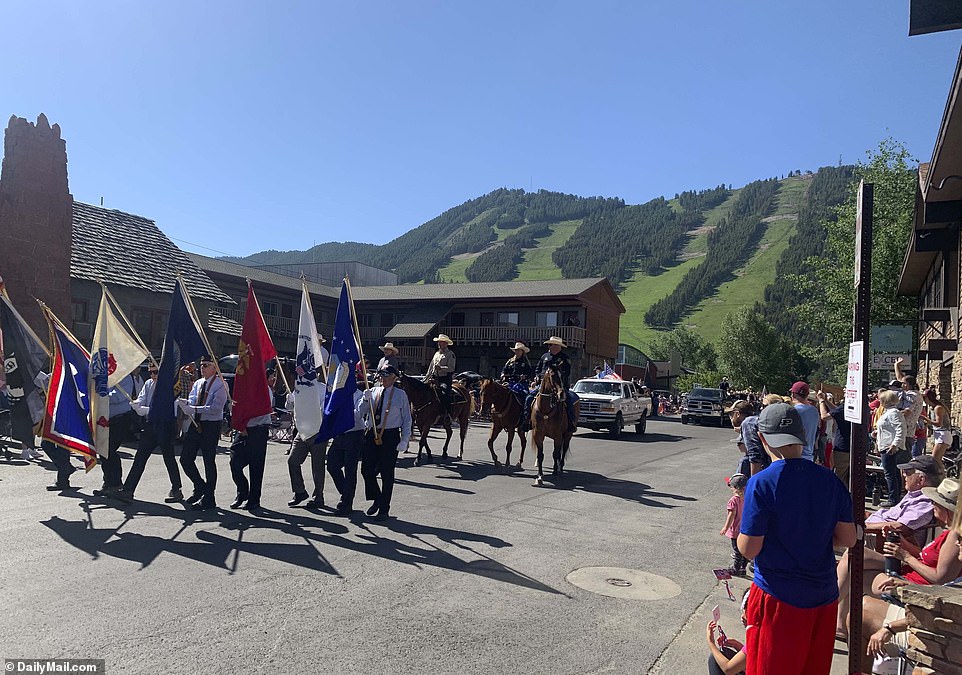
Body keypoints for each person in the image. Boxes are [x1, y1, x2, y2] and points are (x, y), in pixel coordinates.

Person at [737, 403, 856, 675]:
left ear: (764, 439)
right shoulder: (830, 480)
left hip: (778, 597)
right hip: (823, 598)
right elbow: (848, 539)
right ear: (802, 437)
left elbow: (749, 548)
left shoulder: (762, 482)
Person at [115, 363, 184, 503]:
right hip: (150, 425)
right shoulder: (148, 384)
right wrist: (136, 404)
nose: (152, 375)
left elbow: (168, 408)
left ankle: (177, 489)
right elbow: (142, 398)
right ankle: (128, 490)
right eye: (150, 372)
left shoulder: (169, 386)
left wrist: (145, 410)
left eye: (156, 372)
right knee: (140, 457)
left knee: (169, 458)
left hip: (165, 425)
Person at [358, 365, 412, 521]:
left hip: (390, 435)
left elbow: (407, 419)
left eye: (387, 377)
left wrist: (404, 439)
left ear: (394, 378)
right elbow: (361, 413)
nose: (383, 380)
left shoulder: (401, 395)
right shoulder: (374, 391)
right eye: (381, 377)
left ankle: (384, 508)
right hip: (372, 433)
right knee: (366, 470)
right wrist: (364, 400)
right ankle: (377, 498)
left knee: (387, 473)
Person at [179, 357, 228, 510]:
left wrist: (194, 409)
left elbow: (215, 408)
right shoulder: (199, 383)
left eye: (206, 365)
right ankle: (200, 486)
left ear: (215, 367)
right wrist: (185, 403)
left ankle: (209, 497)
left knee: (208, 460)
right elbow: (193, 400)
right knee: (185, 459)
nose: (202, 368)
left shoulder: (221, 384)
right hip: (196, 424)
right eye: (201, 365)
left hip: (211, 425)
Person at [229, 368, 276, 512]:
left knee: (256, 467)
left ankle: (254, 500)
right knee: (235, 462)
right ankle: (242, 492)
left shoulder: (265, 390)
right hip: (243, 430)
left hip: (258, 430)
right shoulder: (247, 389)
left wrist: (242, 418)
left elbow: (259, 409)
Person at [93, 374, 136, 499]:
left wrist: (102, 394)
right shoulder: (106, 376)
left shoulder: (125, 377)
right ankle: (108, 483)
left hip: (121, 418)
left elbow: (119, 397)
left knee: (110, 449)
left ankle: (116, 483)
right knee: (103, 450)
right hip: (105, 417)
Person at [523, 336, 578, 432]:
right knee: (528, 398)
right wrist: (537, 377)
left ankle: (570, 422)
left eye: (558, 345)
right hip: (543, 386)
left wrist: (557, 374)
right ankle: (527, 421)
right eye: (555, 345)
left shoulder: (564, 358)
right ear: (550, 345)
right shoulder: (544, 357)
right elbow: (538, 369)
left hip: (559, 386)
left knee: (569, 400)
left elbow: (567, 373)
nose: (557, 347)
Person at [327, 382, 366, 515]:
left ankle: (347, 503)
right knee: (332, 465)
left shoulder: (359, 395)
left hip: (354, 434)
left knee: (350, 468)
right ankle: (346, 493)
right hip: (339, 434)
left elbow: (358, 415)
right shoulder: (337, 394)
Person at [875, 390, 909, 507]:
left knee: (889, 473)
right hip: (887, 444)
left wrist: (895, 444)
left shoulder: (893, 413)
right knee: (893, 471)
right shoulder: (890, 412)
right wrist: (877, 432)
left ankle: (893, 498)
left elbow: (900, 429)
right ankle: (896, 496)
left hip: (889, 446)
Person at [707, 589, 749, 675]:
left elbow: (728, 669)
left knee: (715, 659)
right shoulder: (768, 632)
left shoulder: (758, 640)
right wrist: (736, 644)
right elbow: (750, 657)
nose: (742, 616)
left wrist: (711, 643)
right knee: (723, 653)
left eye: (744, 610)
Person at [725, 400, 770, 476]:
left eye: (731, 415)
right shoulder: (755, 420)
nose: (731, 418)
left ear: (737, 414)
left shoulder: (748, 423)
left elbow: (755, 455)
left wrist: (754, 482)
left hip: (763, 467)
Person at [816, 390, 851, 488]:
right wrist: (827, 401)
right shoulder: (851, 407)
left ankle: (839, 499)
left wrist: (821, 401)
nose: (843, 390)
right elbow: (836, 411)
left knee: (840, 476)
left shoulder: (845, 407)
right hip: (853, 446)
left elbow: (824, 416)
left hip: (842, 448)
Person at [893, 358, 925, 457]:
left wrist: (889, 417)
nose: (901, 385)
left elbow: (907, 412)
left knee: (903, 462)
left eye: (903, 384)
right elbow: (900, 377)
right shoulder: (908, 392)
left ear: (907, 385)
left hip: (905, 433)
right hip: (902, 432)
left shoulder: (912, 395)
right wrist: (897, 365)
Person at [721, 473, 748, 577]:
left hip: (735, 530)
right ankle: (743, 568)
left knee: (737, 551)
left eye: (731, 487)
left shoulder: (733, 501)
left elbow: (731, 515)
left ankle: (735, 569)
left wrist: (725, 527)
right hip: (744, 528)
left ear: (735, 488)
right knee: (744, 550)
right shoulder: (747, 498)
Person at [922, 387, 951, 471]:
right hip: (939, 435)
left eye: (924, 398)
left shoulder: (938, 408)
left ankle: (941, 477)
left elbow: (939, 423)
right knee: (937, 460)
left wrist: (925, 419)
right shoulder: (933, 408)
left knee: (935, 460)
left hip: (943, 435)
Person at [788, 381, 818, 461]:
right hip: (809, 455)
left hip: (795, 456)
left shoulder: (793, 411)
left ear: (793, 394)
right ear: (807, 395)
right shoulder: (814, 411)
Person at [425, 334, 456, 411]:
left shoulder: (450, 354)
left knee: (444, 394)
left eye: (441, 342)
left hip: (444, 379)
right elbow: (431, 367)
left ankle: (447, 413)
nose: (439, 343)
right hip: (434, 378)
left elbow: (451, 368)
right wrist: (426, 378)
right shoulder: (436, 354)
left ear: (446, 343)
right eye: (438, 342)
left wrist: (441, 368)